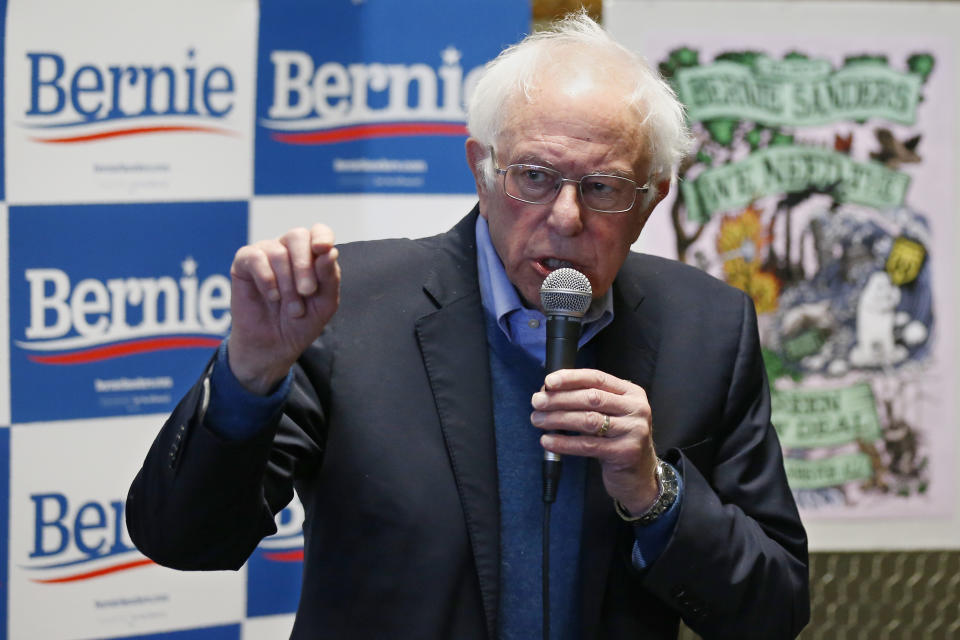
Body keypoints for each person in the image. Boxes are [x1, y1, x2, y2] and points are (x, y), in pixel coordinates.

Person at [127, 12, 809, 640]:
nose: (567, 218)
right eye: (534, 177)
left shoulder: (707, 328)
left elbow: (774, 608)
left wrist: (653, 491)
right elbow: (186, 541)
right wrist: (250, 375)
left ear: (651, 199)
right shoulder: (347, 309)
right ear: (481, 171)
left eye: (602, 187)